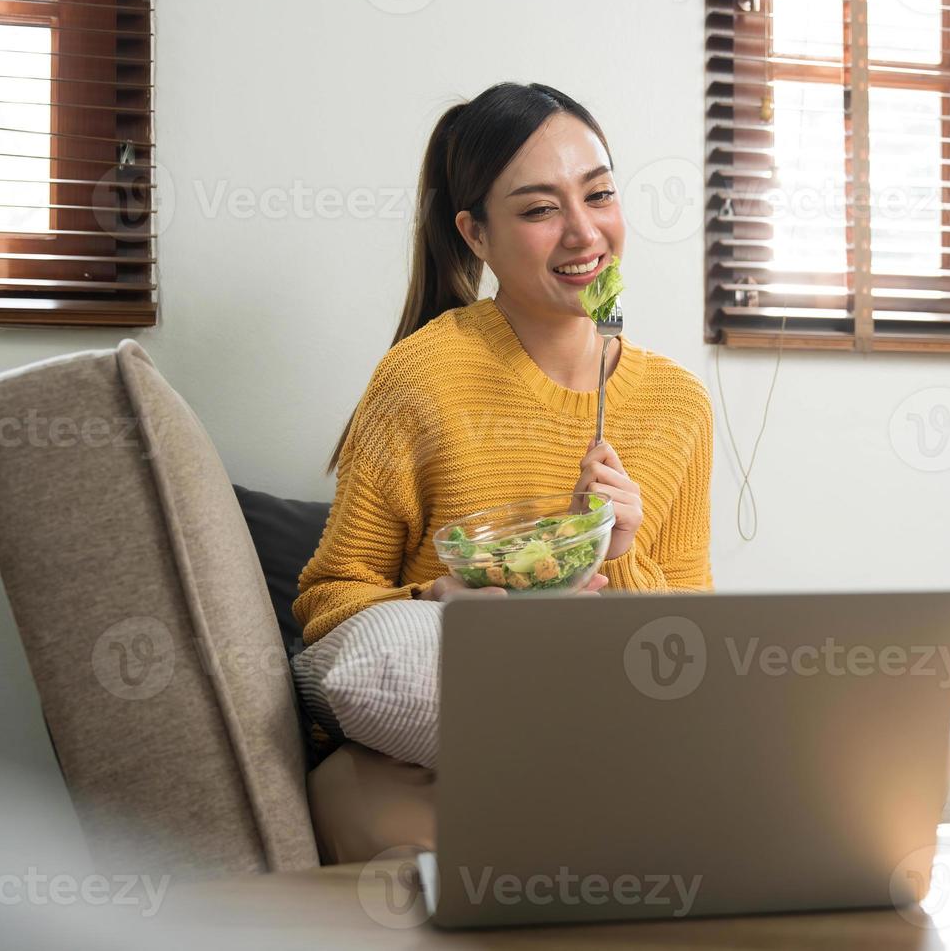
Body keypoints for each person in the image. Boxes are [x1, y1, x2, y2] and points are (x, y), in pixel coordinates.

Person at [295, 82, 714, 862]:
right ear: (474, 235)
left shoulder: (675, 404)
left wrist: (620, 554)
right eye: (538, 209)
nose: (584, 233)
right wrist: (438, 598)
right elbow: (327, 598)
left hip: (606, 735)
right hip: (435, 753)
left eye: (599, 195)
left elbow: (690, 641)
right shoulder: (421, 378)